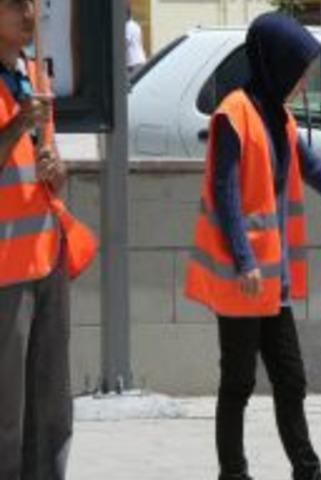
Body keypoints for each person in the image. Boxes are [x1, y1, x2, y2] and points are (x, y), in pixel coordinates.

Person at [184, 12, 321, 480]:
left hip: (270, 281)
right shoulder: (232, 115)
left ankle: (308, 471)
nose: (305, 82)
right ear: (277, 63)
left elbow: (318, 171)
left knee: (291, 379)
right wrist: (243, 259)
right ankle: (233, 473)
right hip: (242, 279)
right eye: (301, 70)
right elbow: (225, 193)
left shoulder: (276, 116)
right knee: (238, 383)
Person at [0, 0, 96, 478]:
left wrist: (58, 171)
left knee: (52, 406)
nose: (31, 13)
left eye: (35, 3)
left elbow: (44, 166)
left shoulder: (34, 74)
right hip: (5, 275)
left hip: (46, 260)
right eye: (17, 4)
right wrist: (18, 122)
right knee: (8, 413)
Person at [125, 4, 146, 76]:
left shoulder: (128, 27)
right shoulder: (135, 25)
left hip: (133, 63)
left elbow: (125, 43)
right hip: (139, 59)